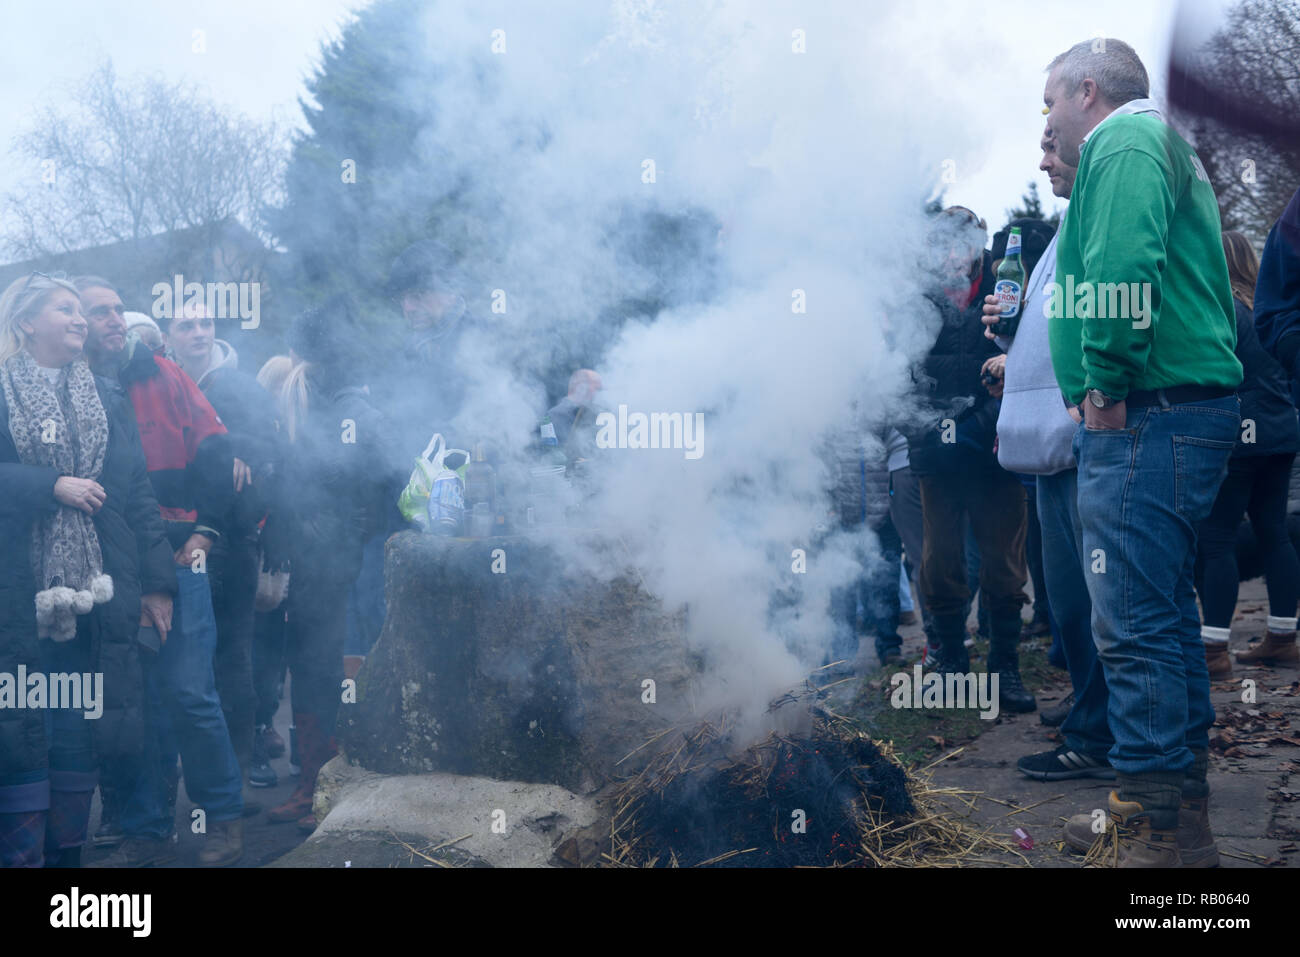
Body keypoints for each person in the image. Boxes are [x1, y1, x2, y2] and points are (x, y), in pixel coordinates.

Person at [1043, 39, 1243, 866]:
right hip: (1170, 410)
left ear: (1086, 90)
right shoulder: (1154, 141)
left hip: (1147, 411)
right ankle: (1176, 817)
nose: (1045, 120)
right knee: (1158, 613)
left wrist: (1103, 387)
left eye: (1047, 102)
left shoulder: (1123, 139)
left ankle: (1154, 830)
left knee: (1130, 620)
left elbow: (1124, 269)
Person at [78, 275, 244, 867]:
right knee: (134, 699)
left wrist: (205, 533)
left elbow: (217, 451)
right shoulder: (72, 387)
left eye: (118, 308)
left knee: (188, 692)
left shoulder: (162, 373)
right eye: (100, 311)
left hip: (179, 554)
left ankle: (223, 816)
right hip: (103, 565)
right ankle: (147, 828)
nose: (114, 319)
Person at [980, 134, 1119, 781]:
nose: (1041, 162)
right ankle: (1092, 707)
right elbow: (1051, 327)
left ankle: (1099, 733)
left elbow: (1109, 317)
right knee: (1065, 602)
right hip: (1047, 450)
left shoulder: (1096, 217)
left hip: (1078, 443)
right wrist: (1009, 336)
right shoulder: (1055, 237)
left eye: (1051, 147)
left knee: (1092, 600)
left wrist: (1091, 401)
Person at [264, 295, 406, 829]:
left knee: (331, 671)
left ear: (311, 359)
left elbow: (387, 490)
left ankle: (329, 791)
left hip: (343, 568)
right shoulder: (317, 406)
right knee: (315, 671)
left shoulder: (354, 413)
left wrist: (338, 534)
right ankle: (314, 786)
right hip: (319, 565)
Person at [904, 206, 1036, 714]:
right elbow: (896, 377)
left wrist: (984, 422)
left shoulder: (1007, 289)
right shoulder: (914, 299)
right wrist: (932, 429)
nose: (954, 253)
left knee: (1004, 563)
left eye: (964, 241)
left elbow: (1026, 361)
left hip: (997, 452)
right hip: (935, 456)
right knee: (940, 563)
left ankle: (1004, 669)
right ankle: (951, 665)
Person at [163, 302, 281, 788]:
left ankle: (242, 760)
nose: (199, 332)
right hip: (178, 537)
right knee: (188, 660)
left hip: (234, 538)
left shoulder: (241, 385)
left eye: (206, 323)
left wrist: (245, 449)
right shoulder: (162, 383)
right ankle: (195, 771)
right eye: (187, 325)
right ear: (169, 333)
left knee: (234, 652)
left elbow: (275, 450)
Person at [1193, 232, 1300, 674]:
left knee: (1217, 537)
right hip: (1282, 432)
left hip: (1240, 435)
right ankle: (1282, 637)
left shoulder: (1222, 309)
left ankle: (1214, 649)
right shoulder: (1270, 311)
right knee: (1274, 530)